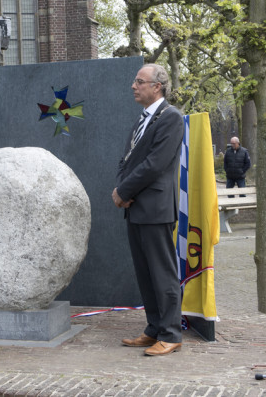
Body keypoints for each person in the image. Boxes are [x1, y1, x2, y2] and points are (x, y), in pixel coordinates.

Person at [112, 63, 184, 356]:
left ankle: (171, 333)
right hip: (136, 207)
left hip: (155, 208)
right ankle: (154, 329)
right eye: (135, 80)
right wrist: (122, 190)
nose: (133, 85)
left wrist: (124, 191)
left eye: (140, 81)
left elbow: (155, 164)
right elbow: (128, 160)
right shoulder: (143, 119)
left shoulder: (171, 118)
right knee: (145, 273)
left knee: (162, 274)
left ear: (157, 87)